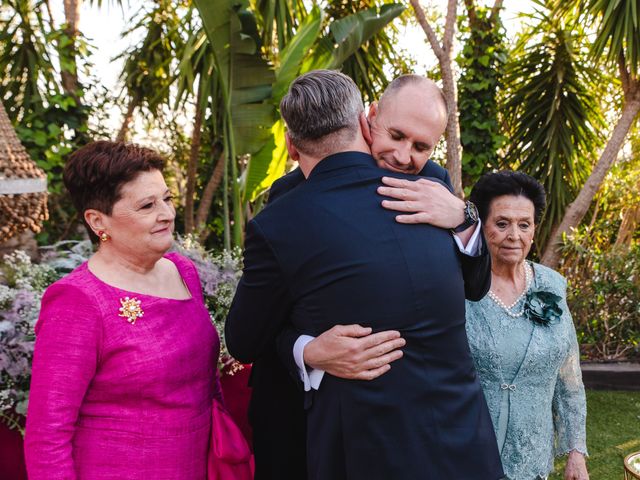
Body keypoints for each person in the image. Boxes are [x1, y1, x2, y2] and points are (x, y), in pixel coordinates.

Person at [225, 70, 503, 479]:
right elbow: (264, 327)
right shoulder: (289, 201)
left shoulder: (431, 185)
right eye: (396, 135)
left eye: (421, 146)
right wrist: (308, 350)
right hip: (332, 421)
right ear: (367, 119)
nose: (403, 157)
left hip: (428, 429)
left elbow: (474, 286)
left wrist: (464, 217)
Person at [24, 141, 224, 479]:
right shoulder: (78, 301)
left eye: (167, 198)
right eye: (147, 205)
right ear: (98, 220)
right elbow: (47, 434)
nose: (167, 214)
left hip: (199, 465)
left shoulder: (182, 270)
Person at [381, 170, 589, 480]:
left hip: (533, 461)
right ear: (481, 226)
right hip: (464, 456)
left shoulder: (552, 285)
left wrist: (575, 453)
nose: (514, 236)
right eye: (502, 223)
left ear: (534, 230)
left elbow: (569, 379)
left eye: (524, 225)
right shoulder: (454, 286)